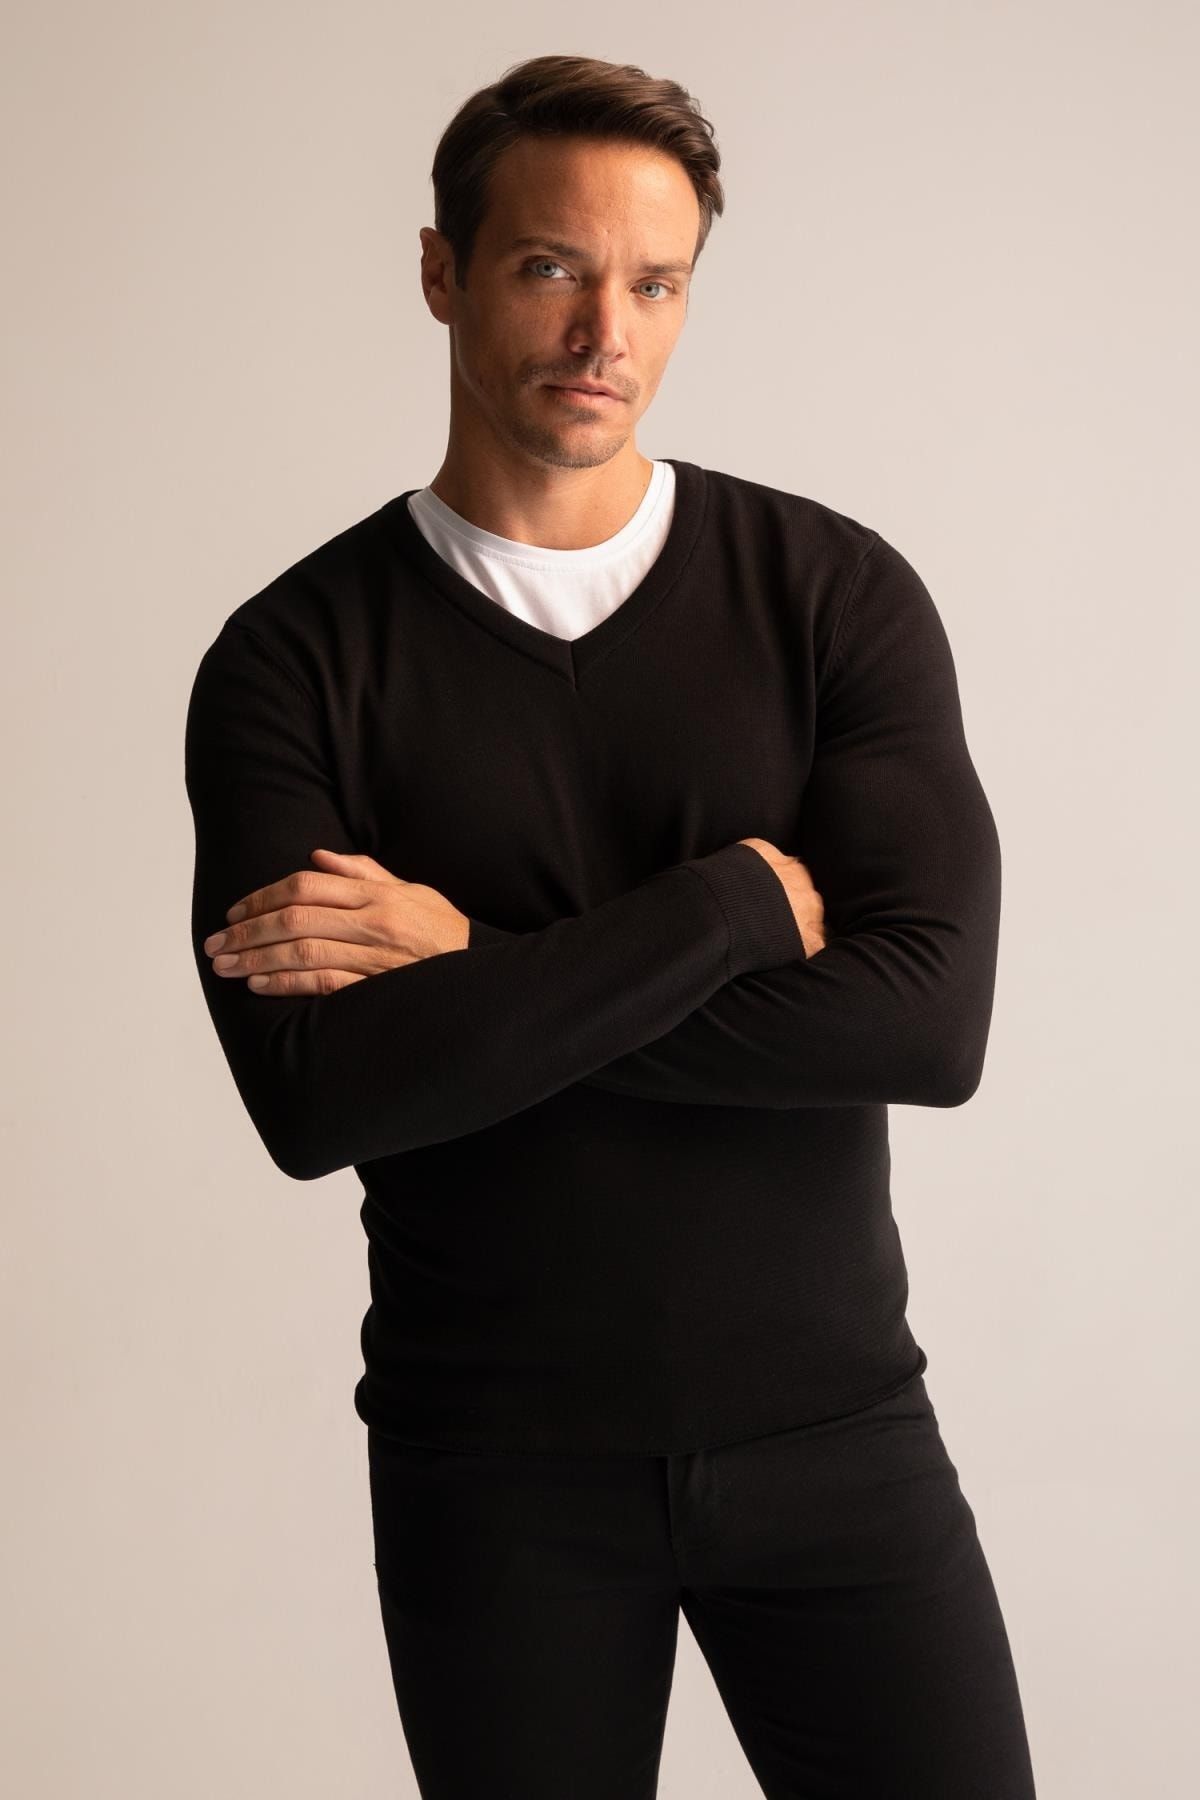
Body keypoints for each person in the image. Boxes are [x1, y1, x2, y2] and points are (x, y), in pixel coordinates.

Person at [184, 51, 1037, 1800]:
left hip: (840, 1438)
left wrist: (468, 976)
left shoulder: (832, 596)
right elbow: (318, 1097)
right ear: (443, 272)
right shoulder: (293, 661)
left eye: (655, 284)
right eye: (549, 268)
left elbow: (926, 1024)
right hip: (495, 1471)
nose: (604, 334)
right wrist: (734, 905)